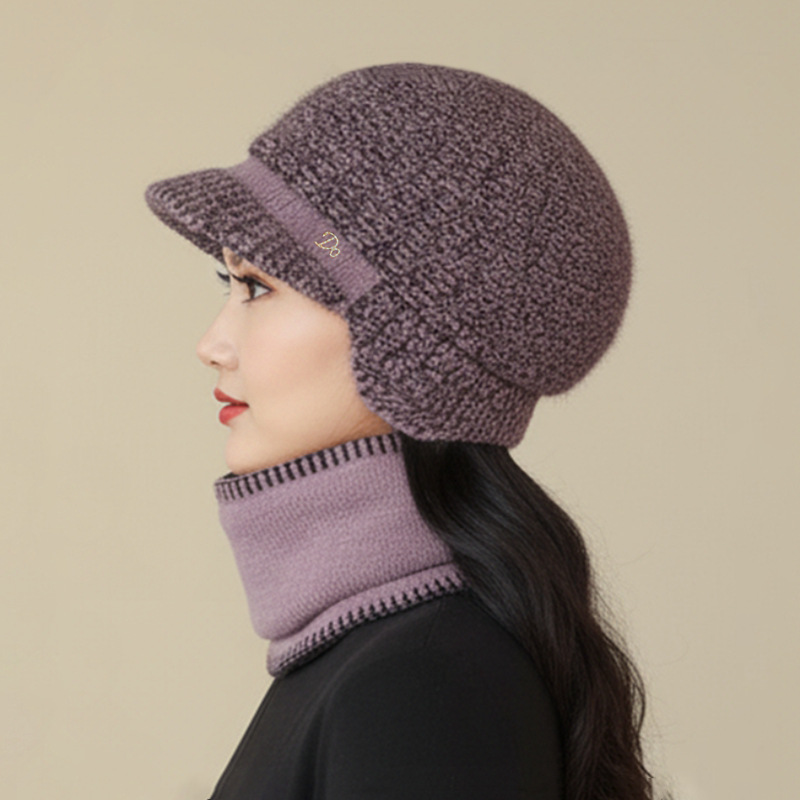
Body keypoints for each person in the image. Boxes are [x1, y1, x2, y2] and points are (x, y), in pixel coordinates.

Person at [144, 62, 668, 800]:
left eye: (258, 285)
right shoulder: (390, 656)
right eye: (226, 282)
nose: (212, 344)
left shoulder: (423, 684)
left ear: (406, 342)